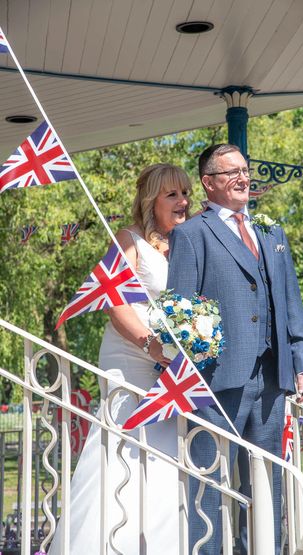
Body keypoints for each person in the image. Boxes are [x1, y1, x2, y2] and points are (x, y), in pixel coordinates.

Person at [167, 144, 303, 555]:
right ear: (208, 182)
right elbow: (180, 311)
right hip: (217, 382)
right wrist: (198, 363)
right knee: (210, 487)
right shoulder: (191, 234)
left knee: (268, 484)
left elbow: (290, 302)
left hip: (272, 378)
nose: (242, 177)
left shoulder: (271, 232)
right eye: (231, 171)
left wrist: (302, 358)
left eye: (245, 170)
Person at [48, 163, 192, 555]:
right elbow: (114, 302)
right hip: (132, 357)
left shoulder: (188, 242)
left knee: (167, 450)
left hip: (172, 365)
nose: (184, 201)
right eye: (173, 195)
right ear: (152, 201)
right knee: (127, 443)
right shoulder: (129, 239)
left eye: (185, 193)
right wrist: (151, 345)